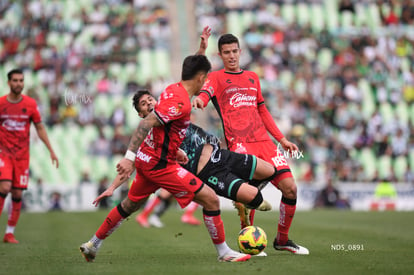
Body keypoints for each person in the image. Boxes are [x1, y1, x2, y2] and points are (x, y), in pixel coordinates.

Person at [79, 55, 251, 263]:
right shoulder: (180, 103)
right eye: (204, 79)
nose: (205, 84)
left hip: (148, 160)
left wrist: (201, 51)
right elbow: (145, 125)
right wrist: (128, 157)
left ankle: (93, 244)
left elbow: (166, 126)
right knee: (211, 199)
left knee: (130, 206)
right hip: (160, 165)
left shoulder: (173, 89)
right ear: (200, 78)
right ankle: (224, 252)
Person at [193, 32, 309, 255]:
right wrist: (200, 100)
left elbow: (262, 109)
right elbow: (204, 92)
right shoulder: (216, 78)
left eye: (234, 51)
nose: (231, 56)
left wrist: (282, 139)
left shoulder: (252, 77)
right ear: (220, 54)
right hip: (240, 144)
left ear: (240, 52)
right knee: (249, 192)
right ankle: (247, 238)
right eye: (226, 52)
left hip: (265, 142)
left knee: (290, 188)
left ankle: (282, 240)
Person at [133, 90, 276, 229]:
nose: (149, 103)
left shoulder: (170, 113)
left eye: (150, 99)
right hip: (206, 171)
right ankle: (151, 215)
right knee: (252, 197)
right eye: (144, 104)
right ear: (141, 114)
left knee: (270, 171)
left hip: (220, 155)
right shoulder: (154, 132)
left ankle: (156, 215)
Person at [0, 69, 59, 243]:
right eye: (15, 80)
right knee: (4, 188)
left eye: (21, 80)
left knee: (17, 193)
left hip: (22, 156)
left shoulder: (31, 104)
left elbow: (40, 128)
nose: (18, 83)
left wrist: (51, 150)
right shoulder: (1, 104)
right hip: (4, 153)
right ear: (9, 82)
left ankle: (9, 232)